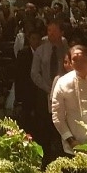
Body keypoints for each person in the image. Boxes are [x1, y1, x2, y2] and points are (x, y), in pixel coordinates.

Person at [30, 20, 68, 154]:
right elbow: (34, 73)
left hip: (63, 93)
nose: (51, 34)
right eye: (49, 31)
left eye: (54, 31)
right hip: (44, 92)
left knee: (60, 124)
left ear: (61, 33)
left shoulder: (66, 50)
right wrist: (48, 88)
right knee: (44, 125)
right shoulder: (41, 50)